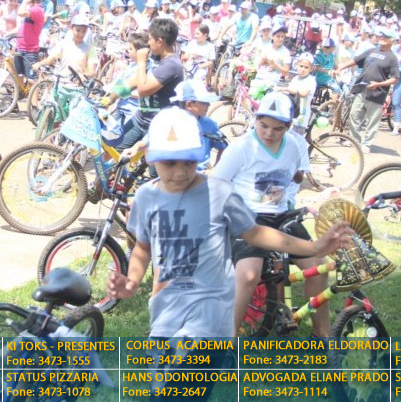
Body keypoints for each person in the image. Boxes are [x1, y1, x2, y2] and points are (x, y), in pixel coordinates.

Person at [108, 106, 348, 343]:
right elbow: (143, 248)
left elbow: (256, 233)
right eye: (170, 163)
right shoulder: (146, 197)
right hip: (167, 312)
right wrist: (132, 282)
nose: (180, 172)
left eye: (188, 162)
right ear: (150, 157)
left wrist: (314, 247)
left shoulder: (218, 193)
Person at [210, 92, 330, 336]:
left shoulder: (294, 145)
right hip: (248, 217)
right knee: (248, 274)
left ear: (289, 126)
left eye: (277, 129)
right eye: (263, 125)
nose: (268, 133)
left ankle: (321, 335)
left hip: (281, 215)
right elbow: (215, 184)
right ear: (255, 119)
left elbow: (295, 175)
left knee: (319, 267)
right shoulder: (241, 147)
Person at [115, 18, 185, 149]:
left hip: (158, 127)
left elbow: (143, 90)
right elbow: (136, 79)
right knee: (114, 150)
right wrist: (113, 94)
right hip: (140, 118)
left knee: (150, 164)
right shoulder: (156, 56)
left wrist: (141, 61)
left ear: (160, 41)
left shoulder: (172, 65)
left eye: (150, 39)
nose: (148, 43)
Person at [337, 28, 400, 153]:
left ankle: (367, 144)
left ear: (392, 41)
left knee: (372, 121)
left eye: (386, 37)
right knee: (354, 115)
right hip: (362, 88)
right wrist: (341, 67)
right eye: (381, 36)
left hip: (377, 93)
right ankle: (355, 140)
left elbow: (395, 78)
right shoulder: (371, 51)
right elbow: (355, 60)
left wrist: (379, 84)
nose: (382, 38)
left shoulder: (392, 58)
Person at [33, 13, 96, 77]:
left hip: (79, 83)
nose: (80, 34)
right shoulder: (63, 44)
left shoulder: (90, 49)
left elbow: (92, 72)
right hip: (61, 80)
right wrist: (39, 64)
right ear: (71, 28)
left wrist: (82, 76)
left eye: (84, 31)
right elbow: (49, 60)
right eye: (78, 30)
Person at [278, 53, 317, 132]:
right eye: (301, 66)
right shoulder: (295, 78)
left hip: (301, 116)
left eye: (306, 67)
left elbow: (303, 93)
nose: (303, 69)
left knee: (296, 136)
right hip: (291, 112)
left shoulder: (311, 80)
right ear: (296, 65)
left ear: (311, 69)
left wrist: (287, 89)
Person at [15, 0, 45, 84]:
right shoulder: (31, 10)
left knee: (31, 79)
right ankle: (21, 91)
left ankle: (35, 95)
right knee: (19, 75)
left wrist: (25, 1)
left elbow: (20, 13)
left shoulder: (37, 10)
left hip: (29, 50)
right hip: (20, 48)